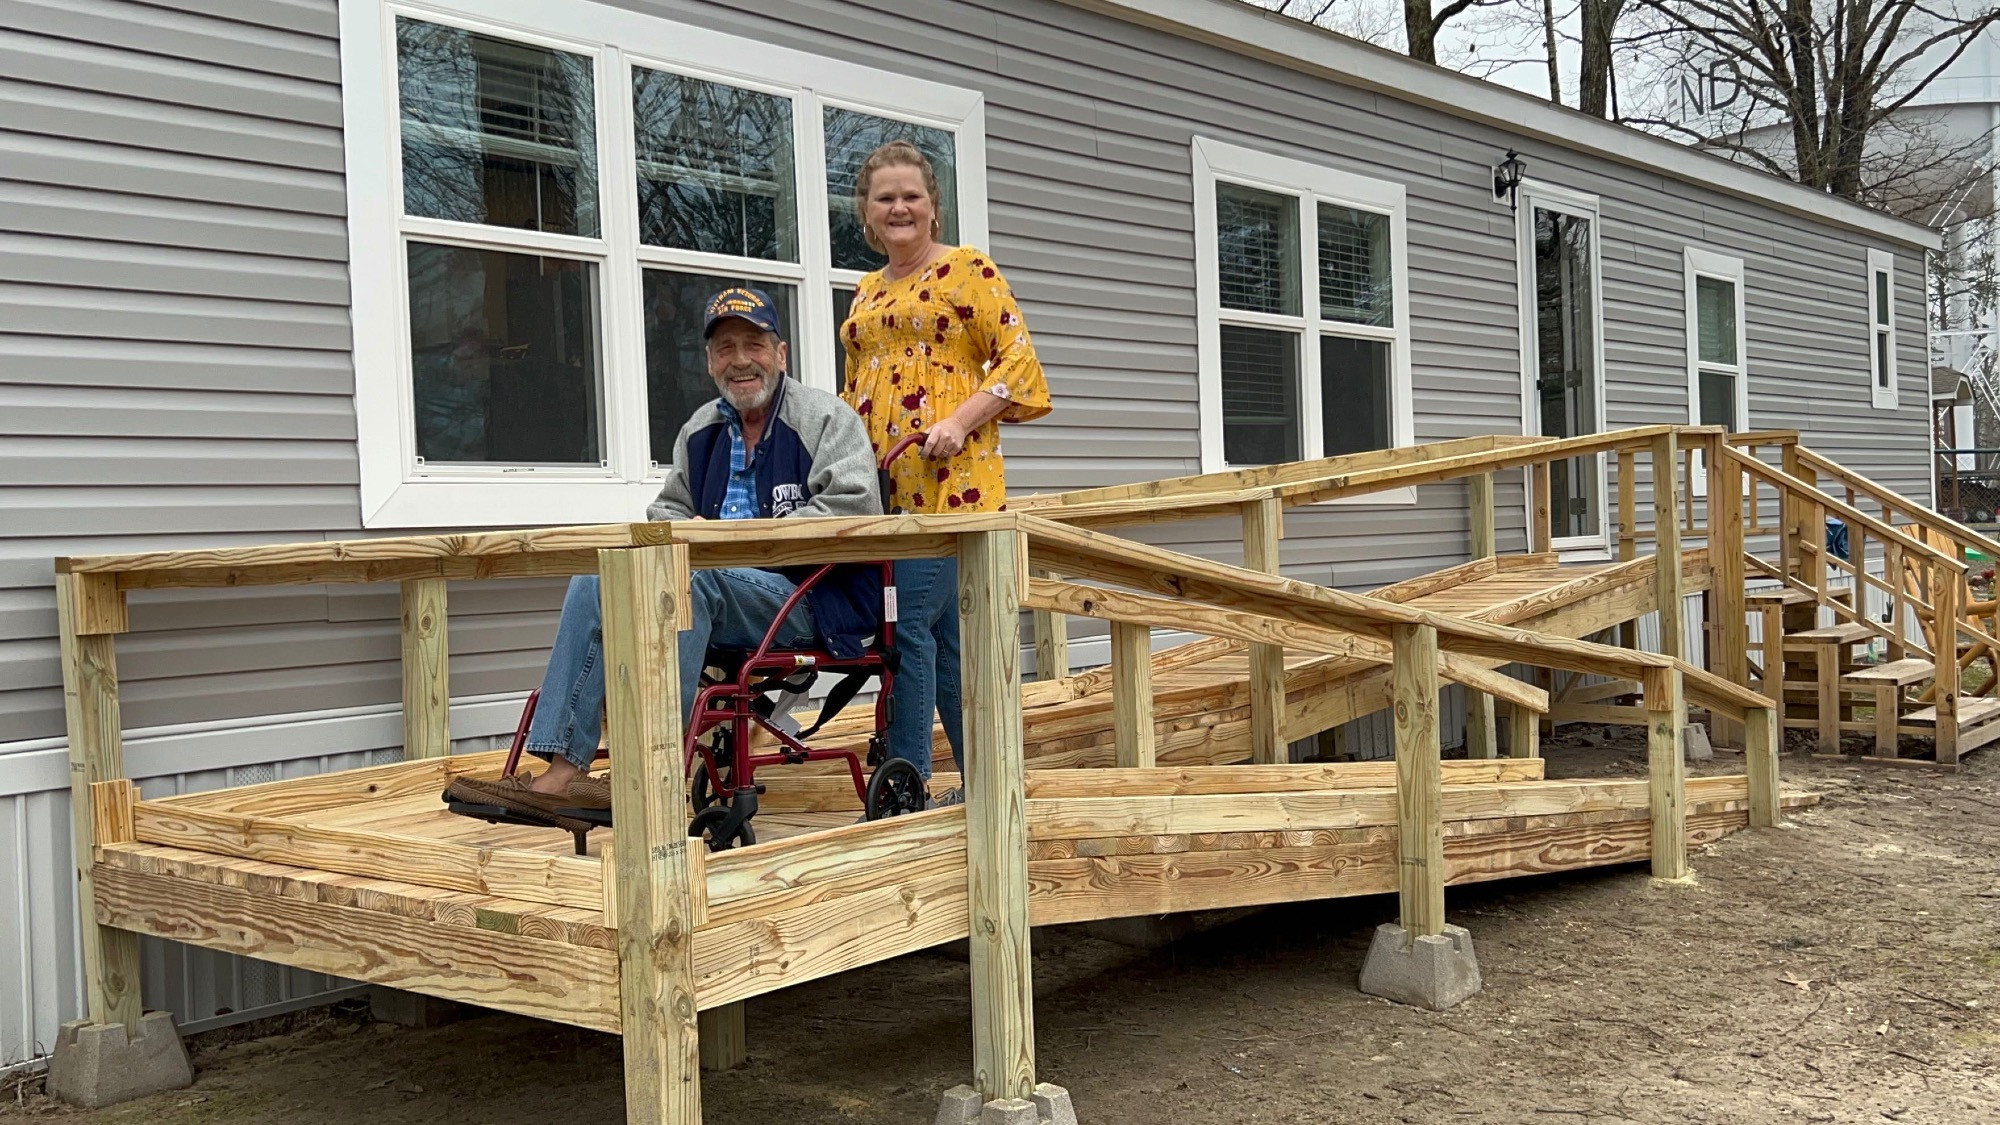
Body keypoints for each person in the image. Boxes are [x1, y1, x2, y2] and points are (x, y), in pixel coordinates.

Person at [446, 288, 883, 827]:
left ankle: (650, 770)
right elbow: (666, 515)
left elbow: (853, 509)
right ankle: (563, 770)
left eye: (755, 344)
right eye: (725, 348)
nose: (741, 359)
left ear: (782, 354)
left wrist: (730, 537)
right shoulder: (700, 430)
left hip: (810, 597)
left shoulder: (825, 418)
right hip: (715, 589)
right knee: (597, 575)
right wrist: (683, 533)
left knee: (688, 583)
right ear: (709, 362)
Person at [839, 141, 1052, 799]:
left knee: (908, 627)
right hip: (882, 488)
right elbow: (854, 390)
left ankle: (907, 782)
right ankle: (987, 777)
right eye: (885, 198)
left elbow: (1019, 365)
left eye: (912, 196)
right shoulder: (865, 290)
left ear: (933, 207)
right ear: (868, 215)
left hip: (950, 485)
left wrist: (959, 421)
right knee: (945, 640)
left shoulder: (969, 272)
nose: (899, 207)